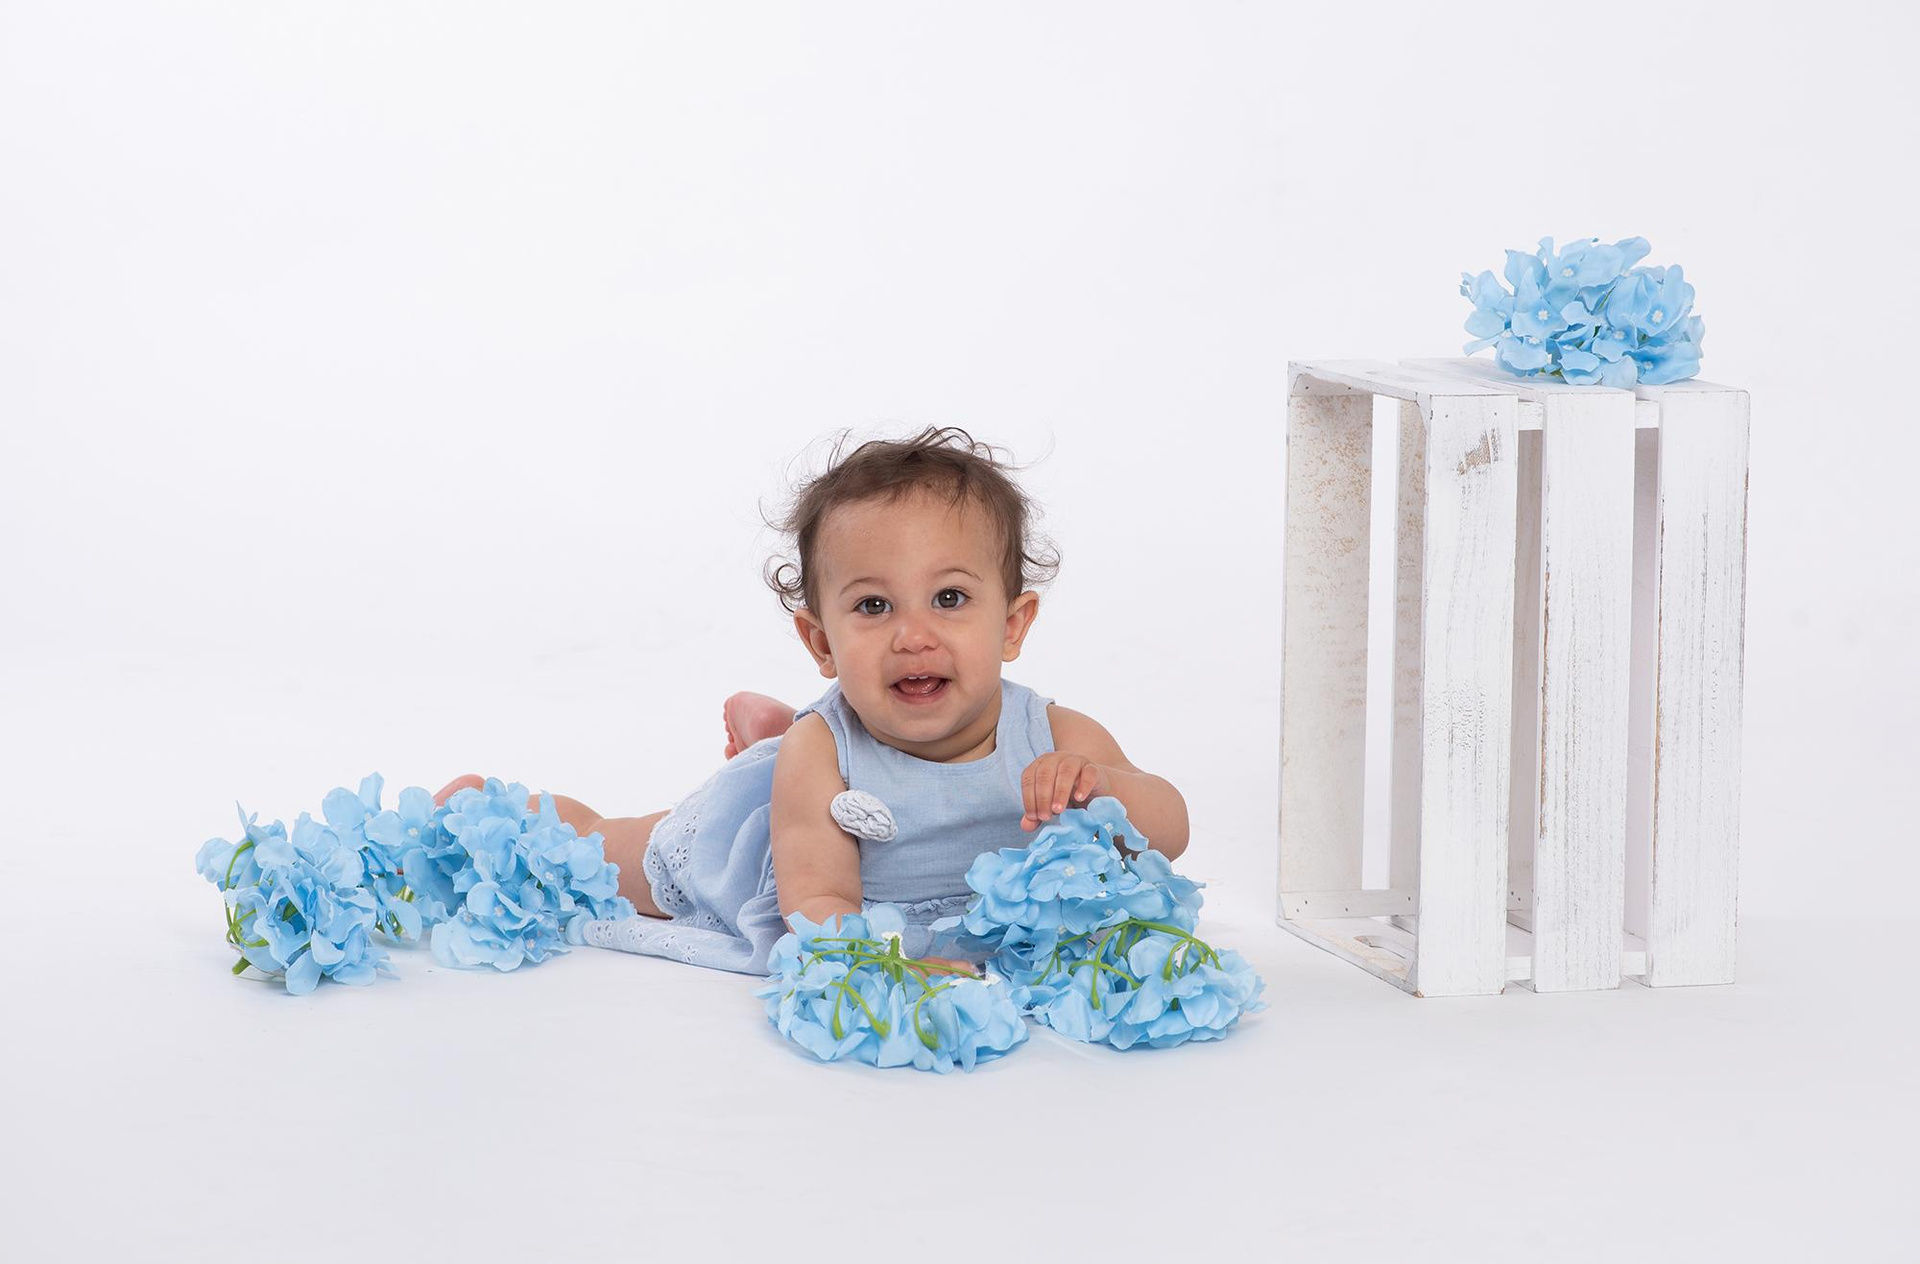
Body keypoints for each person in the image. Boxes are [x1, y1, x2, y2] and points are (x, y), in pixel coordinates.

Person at [434, 426, 1189, 977]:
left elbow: (1172, 829)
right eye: (873, 607)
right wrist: (887, 965)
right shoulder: (824, 752)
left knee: (789, 767)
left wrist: (1104, 790)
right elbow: (818, 899)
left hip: (872, 843)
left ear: (1013, 625)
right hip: (779, 858)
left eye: (950, 598)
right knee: (615, 858)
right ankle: (516, 815)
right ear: (821, 642)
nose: (913, 636)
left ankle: (764, 738)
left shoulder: (1053, 733)